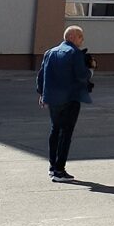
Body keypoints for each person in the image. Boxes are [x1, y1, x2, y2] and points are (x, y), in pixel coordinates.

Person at [36, 25, 92, 182]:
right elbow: (82, 75)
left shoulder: (50, 52)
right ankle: (59, 170)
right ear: (73, 37)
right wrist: (90, 69)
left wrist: (41, 94)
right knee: (66, 133)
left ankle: (52, 167)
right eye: (81, 37)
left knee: (55, 130)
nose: (82, 41)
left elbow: (41, 75)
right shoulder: (75, 53)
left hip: (53, 98)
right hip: (70, 98)